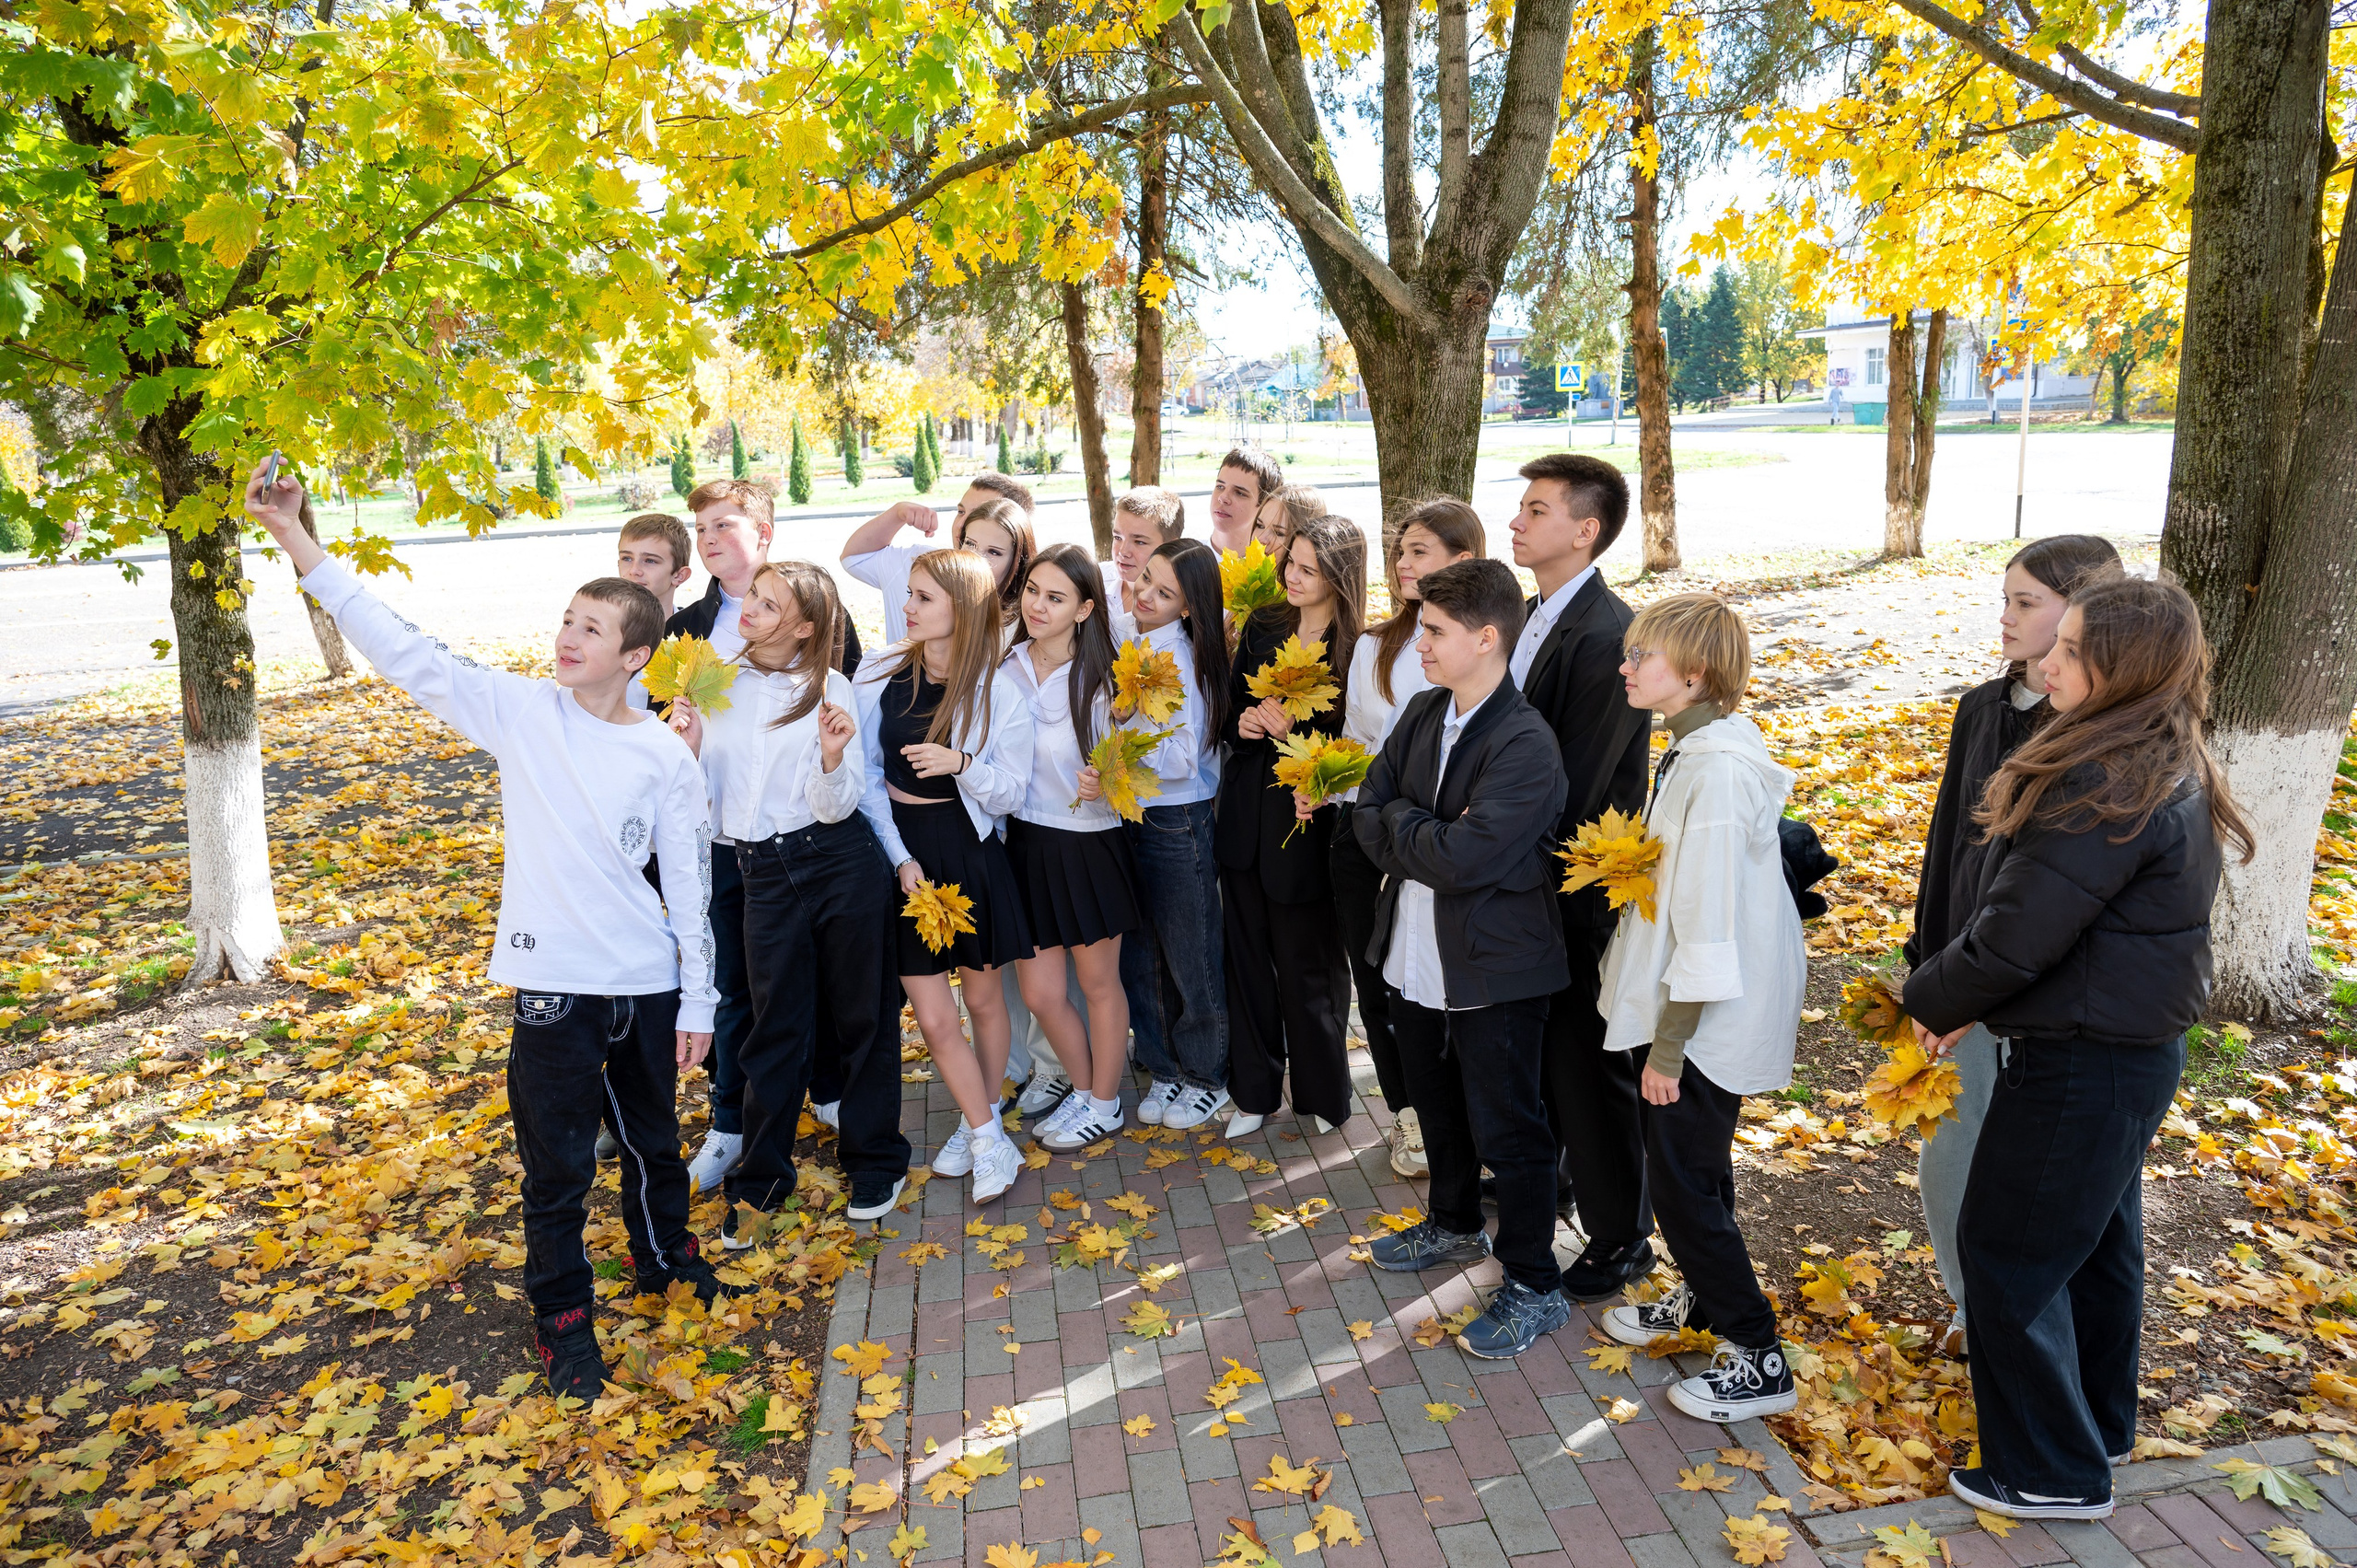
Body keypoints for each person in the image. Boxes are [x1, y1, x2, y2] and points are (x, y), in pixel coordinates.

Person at [242, 460, 729, 1400]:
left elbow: (692, 886)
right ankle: (563, 1322)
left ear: (637, 653)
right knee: (553, 1173)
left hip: (644, 985)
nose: (566, 636)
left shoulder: (663, 752)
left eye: (590, 626)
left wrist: (699, 996)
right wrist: (295, 536)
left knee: (653, 1147)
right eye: (565, 620)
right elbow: (403, 646)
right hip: (554, 993)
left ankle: (664, 1258)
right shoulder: (520, 712)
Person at [1906, 576, 2250, 1522]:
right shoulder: (2143, 755)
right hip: (2114, 1047)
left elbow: (2018, 932)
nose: (2047, 659)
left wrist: (1925, 995)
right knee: (2092, 1245)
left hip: (2084, 1057)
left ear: (2117, 665)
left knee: (2007, 1251)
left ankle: (2052, 1469)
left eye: (2070, 645)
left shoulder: (2104, 778)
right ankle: (2094, 1425)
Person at [1905, 535, 2121, 1359]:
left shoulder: (2100, 736)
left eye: (2026, 602)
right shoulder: (1982, 710)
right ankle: (1975, 1308)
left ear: (2083, 613)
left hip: (2042, 996)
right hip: (1963, 975)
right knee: (1949, 1158)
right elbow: (1948, 847)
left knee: (2038, 1183)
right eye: (2006, 598)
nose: (2006, 617)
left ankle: (2030, 1322)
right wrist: (1926, 964)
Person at [1352, 560, 1573, 1359]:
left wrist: (1411, 829)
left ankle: (1533, 1281)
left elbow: (1464, 859)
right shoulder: (1422, 712)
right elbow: (1368, 813)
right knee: (1434, 1101)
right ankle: (1451, 1223)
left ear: (1487, 638)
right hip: (1415, 955)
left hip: (1493, 967)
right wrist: (1424, 830)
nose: (1419, 644)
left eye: (1435, 631)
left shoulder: (1525, 742)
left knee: (1510, 1128)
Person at [1594, 593, 1805, 1424]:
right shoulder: (1692, 750)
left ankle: (1758, 1353)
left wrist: (1668, 1049)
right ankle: (1708, 1302)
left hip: (1703, 1022)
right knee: (1699, 1172)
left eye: (1643, 654)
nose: (1626, 665)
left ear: (1696, 673)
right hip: (1693, 1010)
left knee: (1682, 1184)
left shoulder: (1715, 771)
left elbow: (1708, 923)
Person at [667, 563, 910, 1228]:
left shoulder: (830, 687)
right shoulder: (712, 681)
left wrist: (832, 756)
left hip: (836, 862)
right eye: (755, 597)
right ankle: (763, 1179)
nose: (750, 608)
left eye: (770, 605)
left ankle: (875, 1158)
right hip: (759, 872)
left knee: (863, 1017)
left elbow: (838, 806)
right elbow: (706, 811)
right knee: (775, 1028)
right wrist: (687, 752)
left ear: (805, 625)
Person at [667, 477, 854, 1191]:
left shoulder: (809, 604)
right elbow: (678, 741)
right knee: (730, 984)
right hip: (719, 844)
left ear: (763, 534)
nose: (711, 539)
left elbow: (837, 714)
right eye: (703, 529)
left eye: (725, 525)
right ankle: (731, 1121)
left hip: (802, 841)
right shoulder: (690, 630)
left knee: (808, 979)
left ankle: (828, 1090)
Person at [1508, 453, 1654, 1299]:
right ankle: (1558, 1180)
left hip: (1575, 888)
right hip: (1528, 880)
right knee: (1550, 1057)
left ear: (1585, 529)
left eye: (1536, 509)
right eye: (1521, 507)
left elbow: (1580, 778)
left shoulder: (1607, 635)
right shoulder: (1533, 614)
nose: (1519, 521)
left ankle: (1622, 1232)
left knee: (1592, 1061)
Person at [854, 551, 1034, 1203]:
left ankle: (976, 1118)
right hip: (908, 861)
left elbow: (1012, 792)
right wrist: (899, 855)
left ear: (961, 605)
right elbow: (868, 780)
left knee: (985, 1002)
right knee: (934, 1018)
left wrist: (960, 761)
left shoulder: (998, 687)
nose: (907, 606)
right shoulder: (880, 671)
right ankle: (991, 1139)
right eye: (910, 594)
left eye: (923, 597)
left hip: (969, 852)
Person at [1338, 499, 1483, 1179]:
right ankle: (1409, 1115)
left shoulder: (1483, 654)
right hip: (1365, 835)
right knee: (1379, 986)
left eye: (1419, 550)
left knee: (1441, 989)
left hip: (1434, 847)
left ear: (1463, 559)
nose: (1402, 561)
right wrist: (1331, 781)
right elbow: (1357, 741)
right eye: (1400, 550)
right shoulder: (1374, 645)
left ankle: (1457, 1121)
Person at [1218, 514, 1364, 1139]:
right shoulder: (1265, 623)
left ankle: (1323, 1092)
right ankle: (1253, 1091)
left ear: (1340, 575)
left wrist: (1294, 732)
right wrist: (1244, 724)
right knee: (1245, 960)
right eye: (1292, 563)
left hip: (1308, 824)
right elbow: (1227, 710)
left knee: (1310, 965)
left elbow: (1353, 747)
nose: (1294, 576)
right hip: (1247, 814)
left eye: (1310, 567)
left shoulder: (1358, 645)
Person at [1003, 544, 1141, 1152]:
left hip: (1086, 845)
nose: (1038, 604)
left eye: (1055, 597)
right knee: (1040, 992)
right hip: (1024, 844)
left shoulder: (1104, 679)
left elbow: (1134, 777)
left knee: (1100, 982)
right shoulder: (1003, 666)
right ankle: (1085, 1090)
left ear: (1085, 608)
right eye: (1033, 590)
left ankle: (1104, 1102)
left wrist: (1104, 782)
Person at [1120, 539, 1232, 1132]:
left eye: (1164, 593)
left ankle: (1207, 1075)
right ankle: (1163, 1065)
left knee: (1192, 954)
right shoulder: (1136, 642)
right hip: (1135, 814)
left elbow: (1184, 758)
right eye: (1143, 579)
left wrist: (1118, 748)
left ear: (1189, 607)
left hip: (1177, 818)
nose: (1145, 594)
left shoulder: (1179, 660)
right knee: (1142, 953)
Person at [842, 480, 1038, 643]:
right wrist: (898, 513)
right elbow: (855, 559)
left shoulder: (1027, 620)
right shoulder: (920, 564)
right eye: (961, 512)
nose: (962, 525)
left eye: (983, 512)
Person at [1103, 486, 1185, 645]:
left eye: (1139, 542)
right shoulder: (1093, 581)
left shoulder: (1181, 599)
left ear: (1171, 546)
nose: (1123, 552)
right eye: (1117, 537)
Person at [1207, 446, 1282, 558]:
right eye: (1220, 486)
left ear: (1264, 505)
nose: (1223, 498)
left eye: (1239, 493)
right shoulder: (1181, 561)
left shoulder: (1277, 570)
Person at [617, 512, 694, 619]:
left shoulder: (699, 633)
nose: (634, 570)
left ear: (679, 575)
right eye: (627, 558)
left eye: (650, 561)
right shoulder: (600, 631)